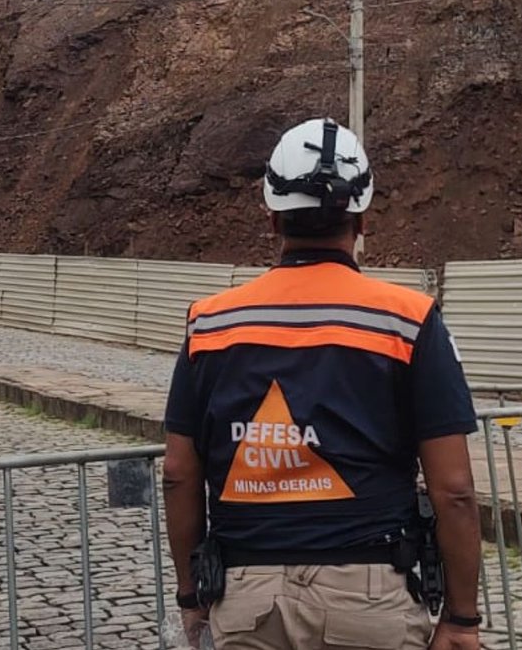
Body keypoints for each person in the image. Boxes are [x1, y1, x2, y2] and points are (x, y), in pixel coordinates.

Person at [163, 117, 483, 650]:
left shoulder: (210, 324)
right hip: (372, 601)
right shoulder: (409, 320)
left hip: (247, 603)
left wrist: (191, 598)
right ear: (361, 218)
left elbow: (178, 473)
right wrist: (462, 620)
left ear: (272, 218)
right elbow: (454, 491)